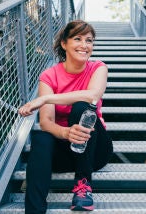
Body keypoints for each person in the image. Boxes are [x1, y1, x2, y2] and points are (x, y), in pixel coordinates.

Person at [18, 20, 113, 213]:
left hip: (94, 150)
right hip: (64, 151)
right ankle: (34, 210)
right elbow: (45, 122)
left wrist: (46, 99)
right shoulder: (49, 76)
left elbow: (93, 95)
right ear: (64, 43)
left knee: (82, 107)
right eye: (77, 39)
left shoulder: (98, 68)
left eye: (89, 40)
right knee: (41, 137)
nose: (84, 45)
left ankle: (83, 187)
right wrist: (66, 133)